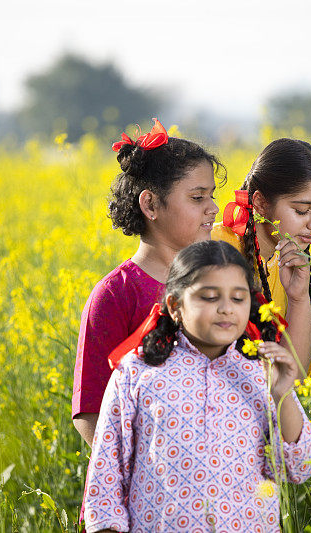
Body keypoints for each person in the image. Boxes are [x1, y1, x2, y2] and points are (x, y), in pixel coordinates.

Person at [83, 240, 311, 533]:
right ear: (175, 305)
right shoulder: (136, 372)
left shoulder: (261, 372)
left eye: (238, 298)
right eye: (209, 297)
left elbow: (300, 467)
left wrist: (282, 392)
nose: (226, 309)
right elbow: (106, 479)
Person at [73, 119, 224, 446]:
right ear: (151, 204)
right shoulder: (115, 294)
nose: (213, 208)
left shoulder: (220, 280)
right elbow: (89, 413)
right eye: (198, 198)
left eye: (211, 196)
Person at [212, 138, 311, 377]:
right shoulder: (215, 251)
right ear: (261, 204)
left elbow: (288, 380)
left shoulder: (284, 263)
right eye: (302, 211)